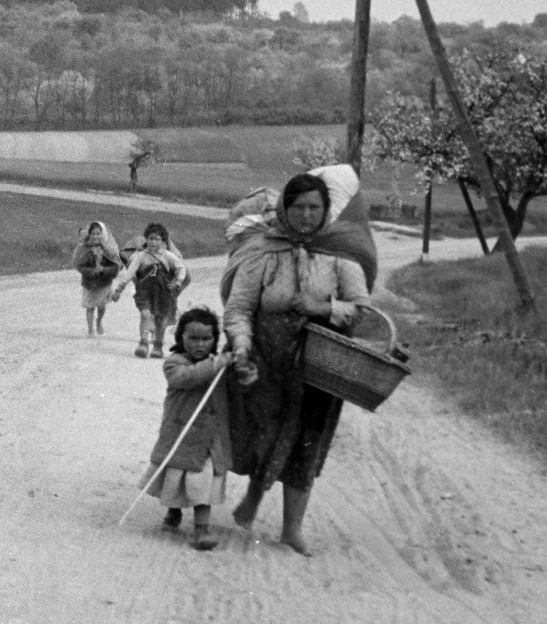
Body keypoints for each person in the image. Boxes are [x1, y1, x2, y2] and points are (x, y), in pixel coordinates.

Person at [222, 170, 373, 556]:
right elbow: (239, 308)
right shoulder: (263, 254)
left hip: (320, 365)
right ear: (285, 210)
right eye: (299, 207)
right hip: (267, 363)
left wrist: (322, 307)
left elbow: (361, 310)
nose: (307, 215)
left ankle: (292, 528)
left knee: (307, 441)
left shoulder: (340, 259)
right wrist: (240, 344)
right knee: (265, 433)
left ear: (326, 212)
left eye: (315, 208)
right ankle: (254, 496)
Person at [145, 307, 235, 551]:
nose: (199, 345)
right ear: (180, 338)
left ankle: (201, 530)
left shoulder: (218, 366)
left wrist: (243, 374)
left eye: (206, 339)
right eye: (192, 338)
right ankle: (173, 512)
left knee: (202, 484)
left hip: (209, 438)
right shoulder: (175, 363)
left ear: (215, 340)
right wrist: (215, 364)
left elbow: (233, 390)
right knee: (175, 480)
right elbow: (187, 378)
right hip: (181, 435)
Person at [112, 223, 190, 359]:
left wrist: (177, 281)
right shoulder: (140, 256)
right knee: (145, 314)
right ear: (146, 239)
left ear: (163, 241)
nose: (153, 242)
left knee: (160, 320)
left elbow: (181, 268)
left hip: (163, 292)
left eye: (157, 239)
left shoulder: (168, 256)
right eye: (150, 238)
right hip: (145, 291)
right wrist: (119, 289)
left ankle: (158, 346)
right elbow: (129, 272)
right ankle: (143, 343)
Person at [72, 221, 123, 336]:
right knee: (90, 307)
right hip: (89, 283)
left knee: (101, 306)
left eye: (98, 233)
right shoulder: (84, 248)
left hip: (104, 283)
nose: (95, 236)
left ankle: (99, 321)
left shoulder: (108, 249)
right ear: (89, 234)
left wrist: (104, 270)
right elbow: (79, 265)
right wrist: (92, 271)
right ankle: (90, 330)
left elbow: (116, 266)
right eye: (93, 234)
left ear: (102, 235)